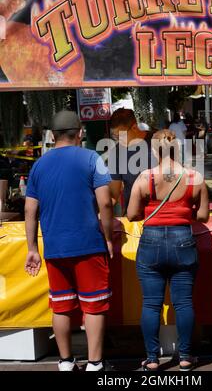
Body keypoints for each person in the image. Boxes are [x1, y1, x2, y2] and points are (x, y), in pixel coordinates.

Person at [24, 110, 113, 372]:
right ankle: (95, 364)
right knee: (94, 306)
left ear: (52, 135)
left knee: (61, 305)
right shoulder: (92, 158)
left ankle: (64, 361)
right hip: (89, 245)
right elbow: (105, 202)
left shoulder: (38, 165)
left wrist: (32, 248)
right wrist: (108, 237)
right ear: (81, 132)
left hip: (54, 247)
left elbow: (30, 210)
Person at [127, 129, 209, 371]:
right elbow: (203, 215)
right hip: (183, 239)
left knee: (151, 304)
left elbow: (131, 214)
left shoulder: (145, 178)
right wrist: (184, 212)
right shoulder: (195, 177)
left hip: (151, 241)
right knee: (183, 303)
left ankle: (152, 359)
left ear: (153, 150)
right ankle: (184, 357)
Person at [109, 108, 154, 213]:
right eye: (115, 136)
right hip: (134, 216)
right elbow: (113, 196)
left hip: (160, 214)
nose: (118, 140)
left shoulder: (158, 141)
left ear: (134, 127)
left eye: (121, 136)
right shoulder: (116, 153)